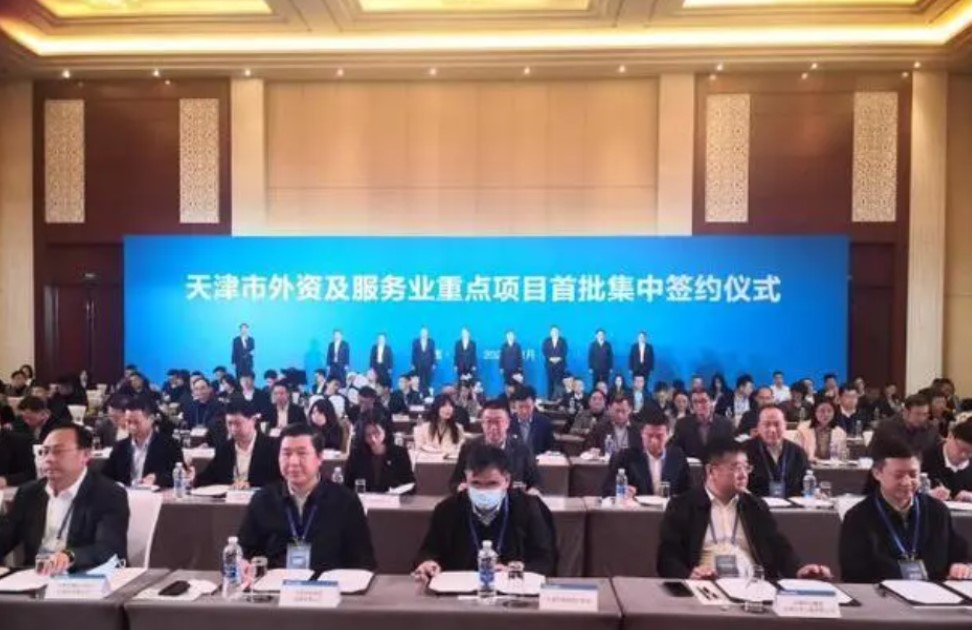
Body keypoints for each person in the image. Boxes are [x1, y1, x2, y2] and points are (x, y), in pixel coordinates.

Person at [657, 438, 831, 580]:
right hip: (706, 585)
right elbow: (667, 557)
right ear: (711, 471)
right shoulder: (683, 506)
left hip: (752, 585)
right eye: (735, 467)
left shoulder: (755, 506)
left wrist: (799, 570)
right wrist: (689, 575)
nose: (743, 474)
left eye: (746, 467)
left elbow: (779, 547)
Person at [237, 424, 376, 571]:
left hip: (327, 583)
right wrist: (242, 564)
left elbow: (363, 561)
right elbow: (243, 551)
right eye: (286, 454)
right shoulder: (263, 499)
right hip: (276, 583)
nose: (293, 462)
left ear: (319, 458)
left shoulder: (346, 501)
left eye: (302, 453)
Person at [414, 443, 556, 581]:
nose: (483, 491)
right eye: (476, 483)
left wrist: (514, 572)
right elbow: (429, 551)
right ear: (466, 479)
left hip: (513, 589)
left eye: (492, 483)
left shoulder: (529, 507)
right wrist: (427, 563)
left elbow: (546, 560)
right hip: (458, 589)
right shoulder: (448, 509)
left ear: (506, 480)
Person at [0, 424, 129, 573]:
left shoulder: (108, 494)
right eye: (44, 452)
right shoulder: (29, 493)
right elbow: (6, 537)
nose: (48, 459)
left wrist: (69, 556)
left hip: (83, 577)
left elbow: (109, 549)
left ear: (85, 455)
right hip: (35, 577)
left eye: (58, 451)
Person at [839, 437, 972, 582]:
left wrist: (959, 566)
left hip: (934, 591)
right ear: (877, 473)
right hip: (881, 592)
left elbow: (958, 554)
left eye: (913, 475)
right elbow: (853, 572)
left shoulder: (937, 511)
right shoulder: (858, 517)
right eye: (899, 475)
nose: (907, 482)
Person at [450, 401, 542, 493]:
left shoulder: (522, 448)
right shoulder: (469, 448)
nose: (493, 427)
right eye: (488, 422)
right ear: (482, 423)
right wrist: (460, 487)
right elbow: (454, 482)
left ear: (507, 423)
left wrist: (534, 490)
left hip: (512, 500)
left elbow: (537, 482)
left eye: (498, 422)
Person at [602, 411, 691, 498]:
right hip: (637, 506)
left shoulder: (678, 457)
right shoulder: (626, 457)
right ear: (642, 434)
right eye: (650, 436)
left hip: (668, 506)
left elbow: (688, 490)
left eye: (659, 436)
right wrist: (622, 491)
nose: (654, 441)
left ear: (668, 435)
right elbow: (607, 488)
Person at [195, 400, 281, 489]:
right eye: (229, 424)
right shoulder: (225, 448)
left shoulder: (273, 447)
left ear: (253, 420)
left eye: (238, 423)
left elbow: (280, 483)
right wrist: (193, 478)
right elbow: (208, 478)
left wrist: (251, 486)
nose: (233, 429)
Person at [102, 397, 184, 488]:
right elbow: (106, 476)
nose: (132, 427)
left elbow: (180, 475)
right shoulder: (120, 447)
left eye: (136, 422)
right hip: (126, 494)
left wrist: (157, 478)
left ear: (151, 419)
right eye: (128, 422)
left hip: (155, 494)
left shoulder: (169, 445)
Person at [745, 406, 810, 499]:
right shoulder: (743, 451)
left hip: (792, 506)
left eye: (777, 424)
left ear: (785, 425)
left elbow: (808, 484)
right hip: (755, 505)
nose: (772, 430)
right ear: (758, 427)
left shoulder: (798, 452)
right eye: (767, 424)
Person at [345, 418, 415, 493]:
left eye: (376, 433)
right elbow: (347, 485)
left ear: (385, 431)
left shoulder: (400, 453)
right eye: (368, 435)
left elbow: (410, 485)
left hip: (392, 499)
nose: (373, 438)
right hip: (363, 499)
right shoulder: (356, 455)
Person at [670, 389, 734, 460]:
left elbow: (731, 451)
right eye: (695, 402)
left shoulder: (725, 424)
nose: (699, 405)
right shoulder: (682, 424)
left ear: (711, 402)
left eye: (703, 401)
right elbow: (674, 449)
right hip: (691, 465)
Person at [871, 394, 941, 456]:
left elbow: (938, 454)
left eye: (925, 414)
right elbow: (872, 454)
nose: (921, 418)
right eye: (918, 414)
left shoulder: (931, 430)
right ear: (905, 412)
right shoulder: (886, 428)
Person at [922, 420, 972, 502]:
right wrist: (929, 494)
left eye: (969, 452)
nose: (964, 455)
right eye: (961, 449)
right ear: (950, 436)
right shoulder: (925, 459)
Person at [509, 386, 555, 455]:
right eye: (520, 407)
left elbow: (551, 447)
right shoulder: (507, 422)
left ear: (533, 404)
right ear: (514, 405)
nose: (524, 411)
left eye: (528, 407)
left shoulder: (545, 423)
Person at [541, 325, 568, 401]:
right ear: (550, 332)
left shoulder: (563, 341)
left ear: (559, 332)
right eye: (553, 331)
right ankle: (550, 399)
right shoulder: (546, 341)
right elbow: (544, 351)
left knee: (559, 382)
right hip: (549, 365)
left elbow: (565, 351)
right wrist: (550, 358)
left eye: (556, 331)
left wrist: (559, 358)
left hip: (560, 365)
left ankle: (559, 399)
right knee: (550, 382)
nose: (554, 332)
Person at [411, 327, 436, 396]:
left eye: (425, 332)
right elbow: (413, 354)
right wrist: (412, 364)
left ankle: (427, 395)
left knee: (428, 380)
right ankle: (419, 395)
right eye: (422, 332)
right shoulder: (415, 342)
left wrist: (434, 363)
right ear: (420, 333)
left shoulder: (431, 342)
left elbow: (433, 353)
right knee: (419, 380)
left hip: (428, 365)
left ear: (427, 333)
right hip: (418, 365)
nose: (424, 334)